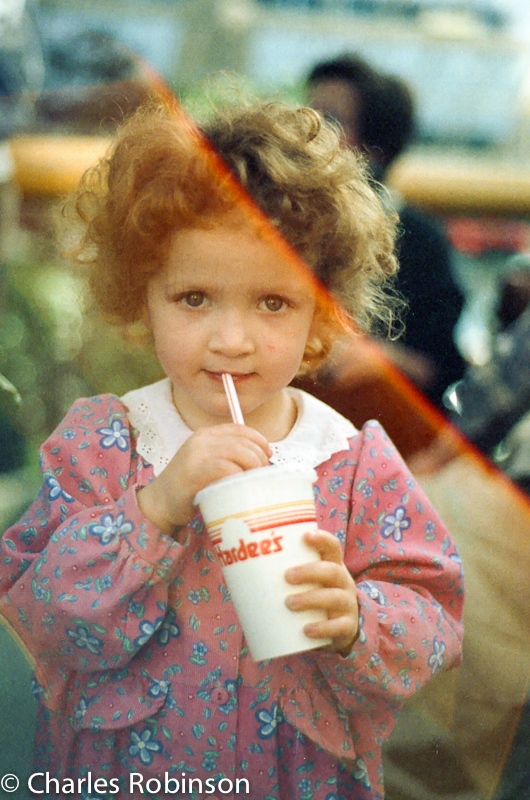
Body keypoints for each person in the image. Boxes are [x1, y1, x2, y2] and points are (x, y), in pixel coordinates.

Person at [0, 100, 464, 800]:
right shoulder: (105, 443)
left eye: (273, 302)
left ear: (322, 310)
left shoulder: (352, 462)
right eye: (193, 298)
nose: (232, 339)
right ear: (140, 295)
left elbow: (436, 618)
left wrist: (358, 621)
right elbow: (40, 621)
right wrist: (153, 508)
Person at [306, 54, 467, 408]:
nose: (306, 132)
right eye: (305, 114)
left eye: (330, 120)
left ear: (375, 146)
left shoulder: (419, 240)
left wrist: (383, 359)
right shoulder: (278, 223)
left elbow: (445, 369)